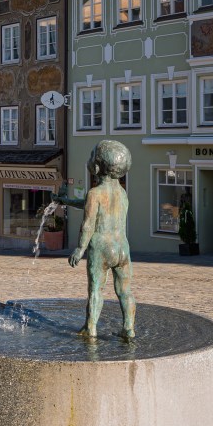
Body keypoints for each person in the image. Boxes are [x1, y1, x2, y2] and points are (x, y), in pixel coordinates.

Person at [69, 139, 136, 339]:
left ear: (98, 166)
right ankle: (129, 328)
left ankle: (91, 328)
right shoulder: (122, 193)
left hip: (101, 247)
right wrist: (66, 201)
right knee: (125, 291)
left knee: (96, 290)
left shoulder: (94, 193)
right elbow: (102, 208)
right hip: (122, 247)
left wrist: (79, 249)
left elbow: (88, 224)